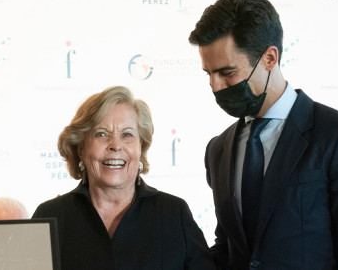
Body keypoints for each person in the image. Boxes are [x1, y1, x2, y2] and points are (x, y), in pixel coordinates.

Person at [188, 0, 338, 269]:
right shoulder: (218, 149)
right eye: (208, 74)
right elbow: (229, 249)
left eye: (227, 72)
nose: (215, 85)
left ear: (270, 58)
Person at [32, 86, 215, 269]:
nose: (116, 146)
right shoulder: (50, 216)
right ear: (81, 148)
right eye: (101, 134)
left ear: (140, 147)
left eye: (127, 135)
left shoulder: (174, 213)